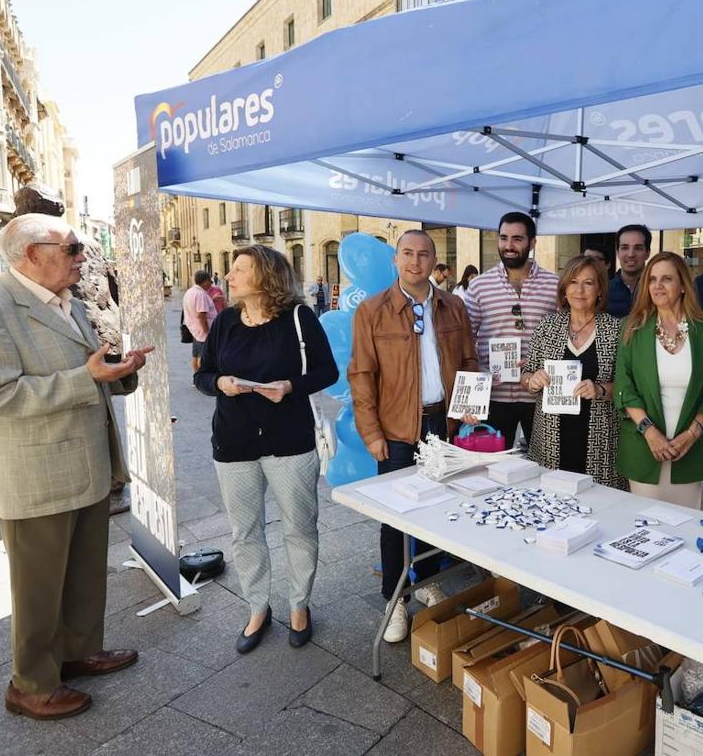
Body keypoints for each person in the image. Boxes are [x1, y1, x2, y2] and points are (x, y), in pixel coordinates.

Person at [0, 213, 151, 719]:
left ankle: (79, 652)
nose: (82, 256)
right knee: (39, 589)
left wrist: (120, 373)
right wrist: (86, 379)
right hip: (36, 477)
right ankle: (32, 684)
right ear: (32, 254)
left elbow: (90, 371)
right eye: (72, 248)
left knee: (85, 575)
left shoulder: (69, 302)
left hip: (87, 466)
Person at [195, 245, 338, 653]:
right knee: (245, 532)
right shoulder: (224, 322)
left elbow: (326, 370)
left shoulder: (299, 317)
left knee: (299, 526)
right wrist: (220, 384)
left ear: (265, 276)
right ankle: (257, 607)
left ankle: (299, 605)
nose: (228, 276)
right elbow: (204, 375)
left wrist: (290, 386)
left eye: (239, 269)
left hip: (288, 442)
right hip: (233, 442)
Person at [349, 230, 479, 642]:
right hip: (397, 428)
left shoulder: (453, 306)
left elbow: (470, 361)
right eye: (407, 253)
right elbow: (362, 375)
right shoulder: (372, 311)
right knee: (395, 516)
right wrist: (371, 433)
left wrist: (468, 413)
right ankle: (395, 598)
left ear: (434, 260)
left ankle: (426, 579)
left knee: (439, 510)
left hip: (444, 424)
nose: (415, 261)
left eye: (424, 254)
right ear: (396, 259)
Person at [614, 252, 703, 509]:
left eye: (666, 279)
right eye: (652, 279)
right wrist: (650, 432)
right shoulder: (632, 328)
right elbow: (624, 388)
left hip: (690, 450)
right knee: (644, 527)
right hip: (644, 447)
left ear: (683, 285)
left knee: (685, 528)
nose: (657, 286)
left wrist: (692, 434)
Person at [521, 255, 624, 489]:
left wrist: (600, 389)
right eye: (573, 282)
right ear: (564, 289)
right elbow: (526, 375)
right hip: (550, 439)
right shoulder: (547, 326)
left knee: (599, 505)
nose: (579, 290)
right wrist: (532, 380)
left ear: (599, 290)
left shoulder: (615, 330)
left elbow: (627, 386)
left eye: (588, 283)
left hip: (600, 442)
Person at [464, 212, 558, 448]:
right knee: (492, 466)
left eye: (517, 239)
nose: (509, 246)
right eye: (503, 238)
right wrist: (472, 392)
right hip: (493, 396)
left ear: (532, 243)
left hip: (539, 395)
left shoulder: (555, 285)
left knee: (544, 464)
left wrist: (542, 361)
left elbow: (562, 337)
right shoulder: (478, 286)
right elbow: (465, 342)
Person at [606, 224, 650, 318]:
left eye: (638, 248)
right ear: (617, 252)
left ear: (648, 253)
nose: (630, 254)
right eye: (624, 248)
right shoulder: (604, 291)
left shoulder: (658, 290)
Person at [182, 270, 217, 373]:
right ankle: (202, 376)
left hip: (195, 330)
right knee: (203, 356)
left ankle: (197, 377)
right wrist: (207, 332)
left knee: (196, 355)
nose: (211, 283)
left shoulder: (190, 292)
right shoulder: (200, 294)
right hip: (202, 331)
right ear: (205, 281)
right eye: (210, 281)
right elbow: (202, 315)